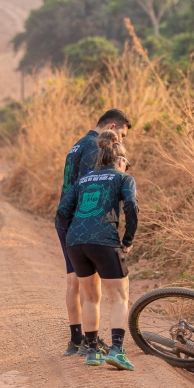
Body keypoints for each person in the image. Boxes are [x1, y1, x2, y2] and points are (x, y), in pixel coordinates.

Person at [56, 130, 139, 371]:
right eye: (126, 163)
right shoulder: (123, 178)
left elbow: (62, 211)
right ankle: (117, 350)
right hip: (104, 239)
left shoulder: (84, 180)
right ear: (120, 160)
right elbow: (131, 206)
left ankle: (92, 351)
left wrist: (73, 234)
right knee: (120, 297)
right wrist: (128, 239)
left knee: (91, 297)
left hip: (75, 241)